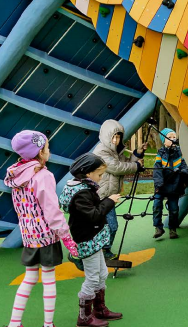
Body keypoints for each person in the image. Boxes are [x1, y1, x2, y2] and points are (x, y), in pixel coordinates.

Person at [4, 131, 78, 327]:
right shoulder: (43, 176)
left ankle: (14, 323)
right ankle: (48, 324)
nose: (49, 150)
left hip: (29, 236)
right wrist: (66, 237)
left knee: (29, 278)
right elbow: (52, 211)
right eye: (46, 147)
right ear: (39, 152)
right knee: (48, 279)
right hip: (46, 236)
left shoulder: (16, 174)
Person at [59, 153, 123, 326]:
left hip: (94, 238)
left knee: (102, 273)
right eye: (99, 174)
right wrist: (109, 201)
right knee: (93, 278)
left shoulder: (84, 187)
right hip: (88, 239)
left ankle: (99, 309)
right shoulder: (81, 193)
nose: (101, 178)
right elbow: (93, 215)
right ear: (88, 173)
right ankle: (84, 316)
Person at [94, 120, 145, 260]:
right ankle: (102, 251)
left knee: (109, 226)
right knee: (109, 226)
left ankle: (103, 251)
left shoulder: (116, 152)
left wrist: (137, 154)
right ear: (106, 136)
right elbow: (116, 167)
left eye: (118, 137)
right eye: (113, 137)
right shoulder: (101, 151)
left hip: (109, 195)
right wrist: (136, 166)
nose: (116, 141)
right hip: (100, 196)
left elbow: (126, 163)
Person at [152, 128, 188, 240]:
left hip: (175, 186)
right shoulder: (160, 153)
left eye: (174, 137)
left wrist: (183, 171)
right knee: (156, 205)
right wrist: (159, 184)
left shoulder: (179, 152)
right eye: (170, 137)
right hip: (162, 185)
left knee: (174, 209)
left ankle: (172, 229)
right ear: (164, 141)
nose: (173, 139)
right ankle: (158, 228)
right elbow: (157, 170)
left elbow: (185, 166)